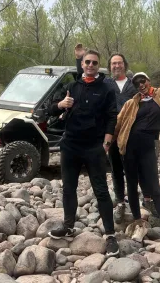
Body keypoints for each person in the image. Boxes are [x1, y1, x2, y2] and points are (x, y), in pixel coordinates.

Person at [47, 49, 120, 258]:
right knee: (68, 188)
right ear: (82, 64)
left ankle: (110, 235)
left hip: (94, 147)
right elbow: (50, 109)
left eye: (94, 63)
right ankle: (68, 226)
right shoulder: (71, 86)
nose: (90, 65)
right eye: (87, 62)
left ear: (98, 66)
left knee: (101, 191)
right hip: (70, 145)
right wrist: (62, 104)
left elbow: (111, 117)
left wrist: (107, 142)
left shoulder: (105, 89)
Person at [74, 44, 157, 223]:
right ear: (109, 66)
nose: (116, 66)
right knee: (116, 170)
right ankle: (120, 202)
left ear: (125, 65)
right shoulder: (105, 83)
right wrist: (79, 59)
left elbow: (151, 101)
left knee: (139, 168)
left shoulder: (134, 83)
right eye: (113, 64)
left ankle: (148, 199)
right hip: (111, 133)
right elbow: (84, 78)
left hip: (134, 134)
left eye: (119, 63)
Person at [115, 49, 160, 248]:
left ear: (148, 81)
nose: (141, 85)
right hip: (129, 149)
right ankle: (139, 225)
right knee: (131, 187)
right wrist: (104, 143)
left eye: (143, 81)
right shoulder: (131, 103)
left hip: (148, 147)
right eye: (137, 83)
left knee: (155, 189)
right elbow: (118, 124)